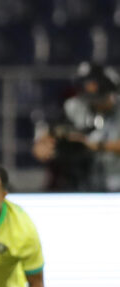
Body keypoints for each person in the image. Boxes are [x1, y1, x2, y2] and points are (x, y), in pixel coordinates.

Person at [33, 62, 120, 191]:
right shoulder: (74, 106)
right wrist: (47, 144)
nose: (90, 89)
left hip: (115, 181)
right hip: (79, 183)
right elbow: (46, 139)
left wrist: (92, 145)